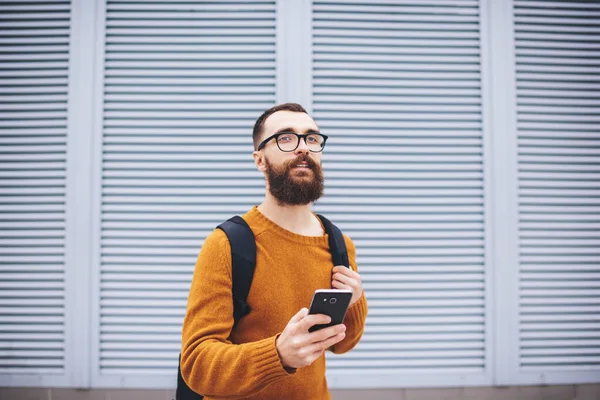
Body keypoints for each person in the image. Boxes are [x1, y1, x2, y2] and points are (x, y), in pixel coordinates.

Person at [180, 103, 368, 400]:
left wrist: (355, 302)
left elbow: (342, 345)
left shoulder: (338, 243)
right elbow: (196, 364)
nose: (303, 148)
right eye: (285, 138)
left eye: (312, 138)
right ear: (260, 160)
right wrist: (278, 354)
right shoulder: (226, 244)